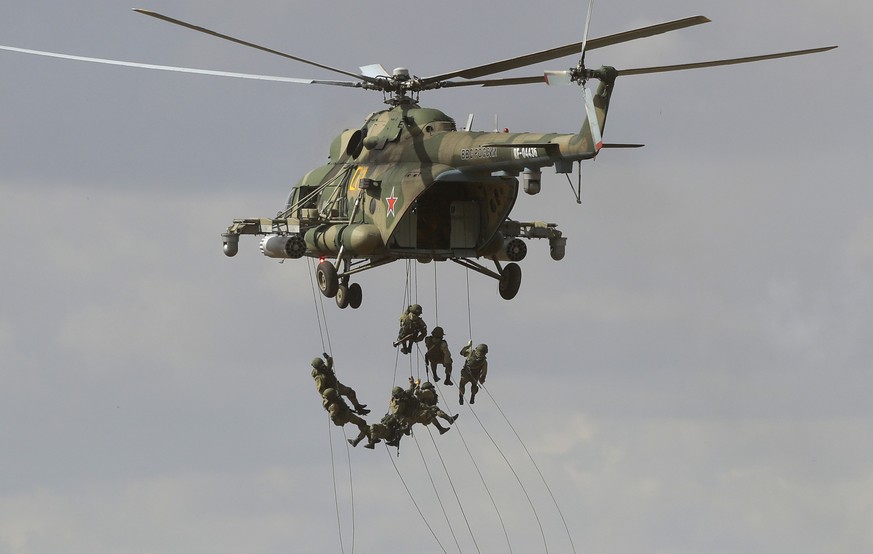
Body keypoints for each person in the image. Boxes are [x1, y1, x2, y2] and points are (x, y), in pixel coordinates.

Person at [458, 341, 488, 405]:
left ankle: (461, 396)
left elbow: (462, 352)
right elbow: (484, 373)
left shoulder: (470, 353)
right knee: (474, 386)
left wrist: (468, 346)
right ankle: (472, 397)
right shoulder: (484, 362)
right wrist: (482, 379)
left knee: (462, 385)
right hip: (475, 376)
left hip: (466, 374)